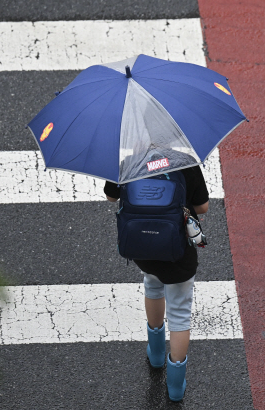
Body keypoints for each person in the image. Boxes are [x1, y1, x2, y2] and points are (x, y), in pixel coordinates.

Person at [104, 165, 208, 401]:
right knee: (180, 313)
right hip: (176, 247)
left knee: (152, 284)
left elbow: (111, 196)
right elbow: (203, 206)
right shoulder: (186, 163)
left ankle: (157, 353)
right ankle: (175, 386)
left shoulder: (129, 161)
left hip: (142, 246)